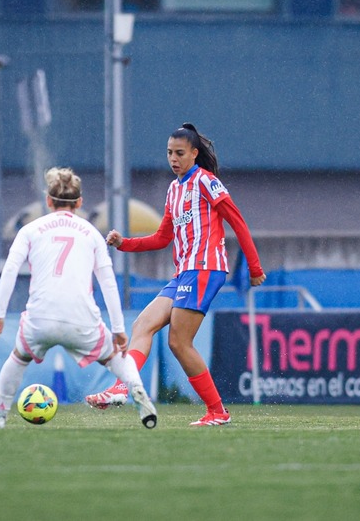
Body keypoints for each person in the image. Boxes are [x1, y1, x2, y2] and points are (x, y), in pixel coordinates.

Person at [85, 123, 266, 426]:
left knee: (179, 341)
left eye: (180, 153)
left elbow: (238, 222)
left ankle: (218, 412)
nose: (173, 158)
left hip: (206, 268)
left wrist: (255, 268)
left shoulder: (207, 182)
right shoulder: (175, 189)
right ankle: (120, 389)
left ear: (195, 154)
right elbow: (162, 237)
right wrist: (124, 244)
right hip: (184, 273)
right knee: (143, 324)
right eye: (170, 153)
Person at [0, 167, 157, 429]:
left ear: (48, 201)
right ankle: (138, 392)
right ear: (79, 202)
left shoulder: (30, 230)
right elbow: (108, 282)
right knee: (116, 359)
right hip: (81, 318)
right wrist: (119, 330)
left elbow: (9, 269)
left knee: (18, 359)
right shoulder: (91, 233)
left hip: (40, 317)